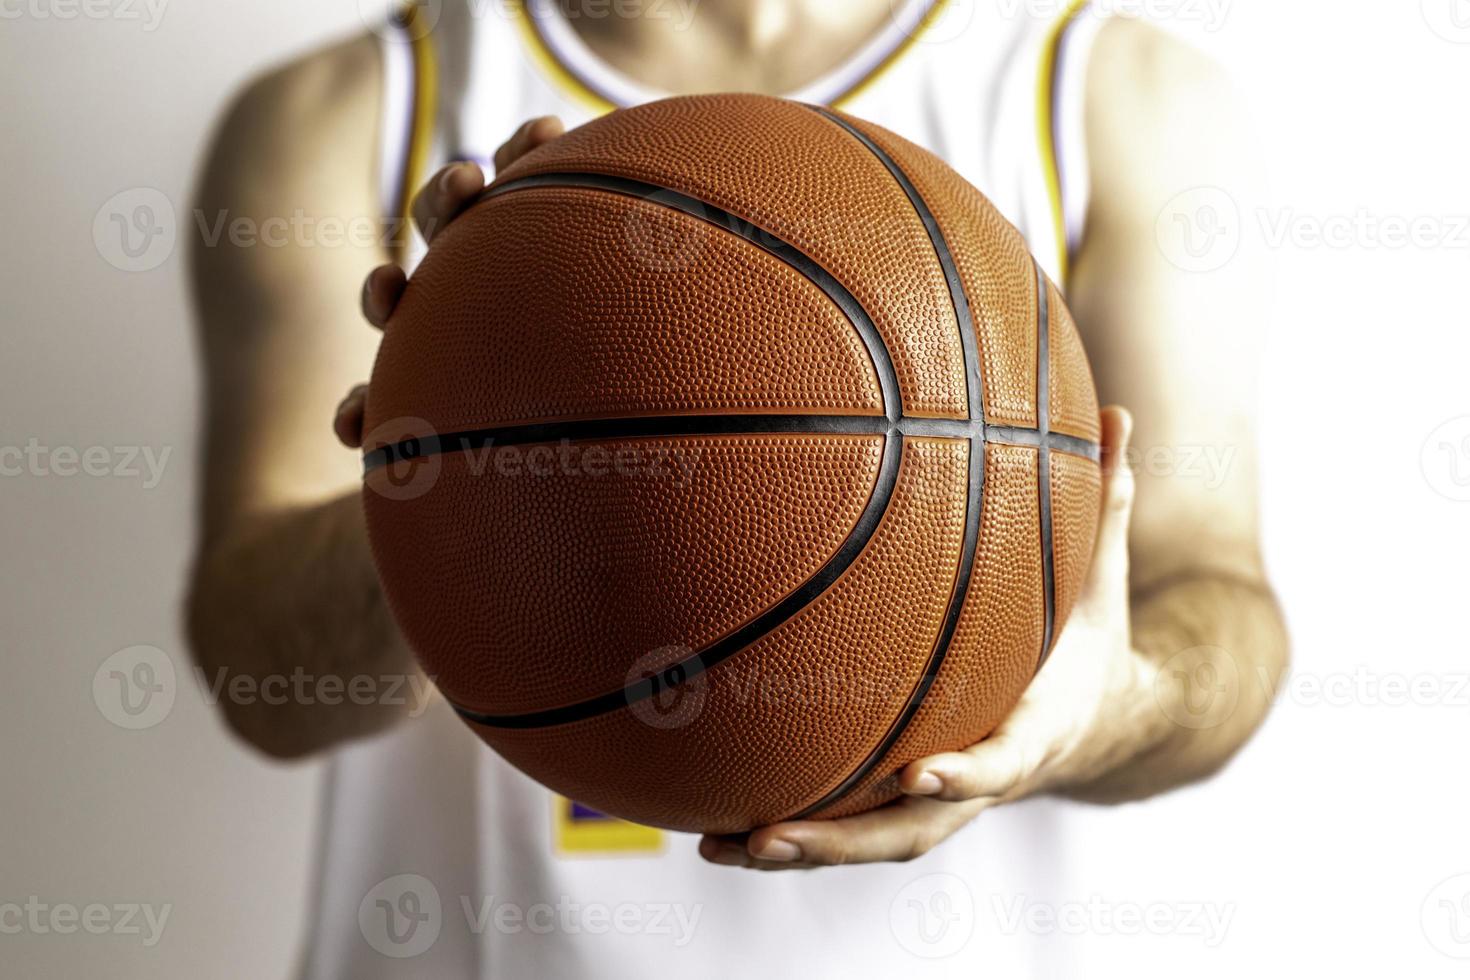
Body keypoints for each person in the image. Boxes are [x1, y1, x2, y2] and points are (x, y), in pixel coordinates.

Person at [188, 0, 1289, 975]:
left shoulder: (1111, 93)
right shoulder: (348, 110)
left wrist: (1100, 713)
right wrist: (460, 485)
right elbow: (255, 675)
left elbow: (1217, 607)